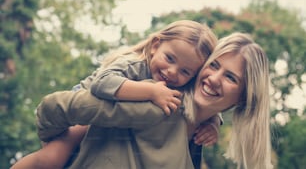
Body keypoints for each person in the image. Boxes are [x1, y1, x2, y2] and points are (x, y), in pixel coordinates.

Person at [17, 32, 272, 169]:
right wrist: (64, 136)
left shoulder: (198, 140)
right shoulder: (157, 100)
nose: (214, 78)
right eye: (213, 65)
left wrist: (214, 123)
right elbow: (54, 107)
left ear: (242, 99)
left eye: (230, 77)